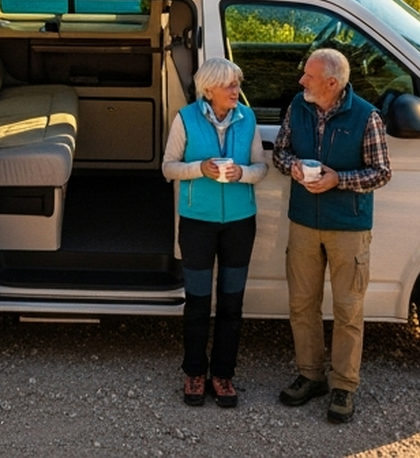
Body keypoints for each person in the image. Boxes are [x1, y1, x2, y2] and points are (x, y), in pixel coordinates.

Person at [271, 47, 392, 424]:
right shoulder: (298, 106)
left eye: (309, 76)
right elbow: (280, 152)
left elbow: (381, 172)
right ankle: (311, 376)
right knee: (301, 304)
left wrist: (338, 179)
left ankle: (344, 385)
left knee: (347, 309)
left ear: (332, 83)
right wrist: (293, 167)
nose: (301, 81)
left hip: (349, 227)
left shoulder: (367, 116)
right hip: (304, 222)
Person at [160, 57, 267, 408]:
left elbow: (261, 167)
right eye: (229, 85)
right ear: (209, 90)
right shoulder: (185, 118)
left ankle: (223, 375)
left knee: (232, 304)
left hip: (240, 223)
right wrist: (200, 169)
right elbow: (168, 168)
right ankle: (194, 372)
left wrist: (243, 174)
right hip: (197, 223)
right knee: (197, 302)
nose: (236, 91)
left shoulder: (247, 118)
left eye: (237, 83)